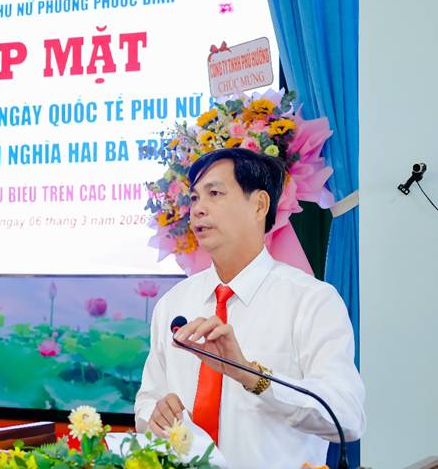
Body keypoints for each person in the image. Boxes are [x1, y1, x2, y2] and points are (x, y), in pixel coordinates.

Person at [134, 148, 365, 468]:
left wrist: (251, 376)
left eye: (214, 193)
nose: (198, 208)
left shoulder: (311, 301)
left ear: (259, 205)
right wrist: (155, 414)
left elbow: (347, 416)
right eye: (194, 197)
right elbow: (147, 402)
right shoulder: (173, 304)